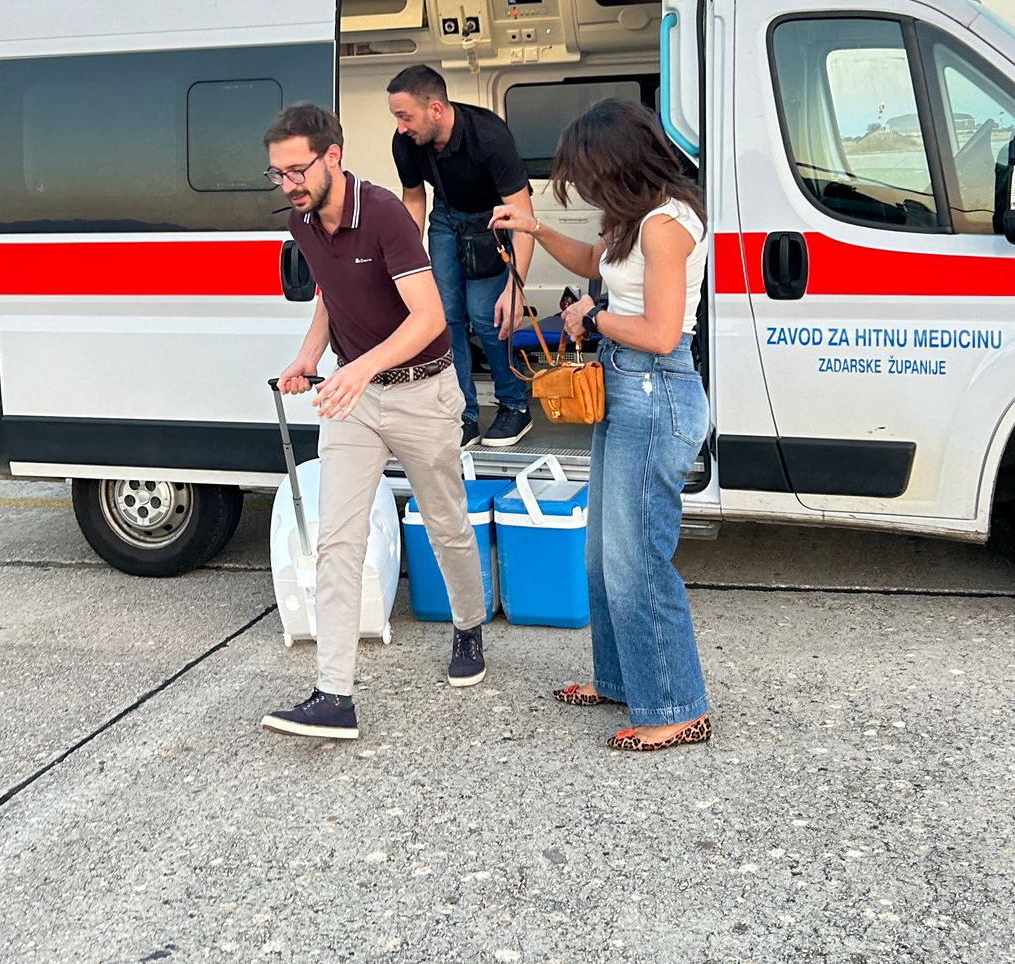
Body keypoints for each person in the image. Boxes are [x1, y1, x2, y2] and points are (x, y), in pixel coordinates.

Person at [262, 102, 488, 743]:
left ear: (333, 155)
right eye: (277, 175)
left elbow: (430, 318)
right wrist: (310, 357)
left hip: (421, 392)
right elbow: (333, 299)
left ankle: (469, 627)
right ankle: (334, 694)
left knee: (446, 524)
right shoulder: (302, 222)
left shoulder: (385, 212)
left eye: (297, 170)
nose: (289, 185)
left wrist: (357, 369)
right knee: (337, 540)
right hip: (353, 402)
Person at [491, 99, 713, 753]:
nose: (584, 187)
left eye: (588, 174)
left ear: (618, 166)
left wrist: (592, 318)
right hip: (627, 390)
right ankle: (621, 679)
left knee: (638, 560)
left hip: (656, 390)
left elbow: (661, 331)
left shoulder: (666, 226)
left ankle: (678, 705)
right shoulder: (636, 219)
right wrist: (531, 228)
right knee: (602, 557)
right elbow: (594, 260)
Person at [386, 65, 537, 452]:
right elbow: (414, 198)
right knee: (444, 317)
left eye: (405, 116)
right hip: (445, 218)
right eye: (396, 118)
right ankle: (463, 413)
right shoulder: (406, 142)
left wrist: (515, 288)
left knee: (489, 316)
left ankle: (515, 405)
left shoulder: (488, 136)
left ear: (435, 109)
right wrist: (407, 262)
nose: (400, 127)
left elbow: (523, 216)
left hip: (494, 221)